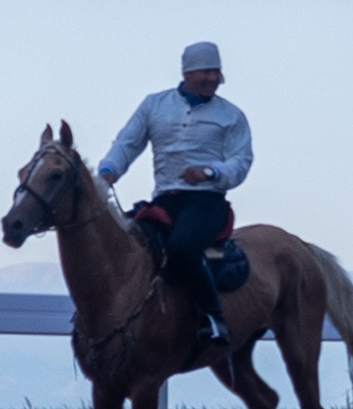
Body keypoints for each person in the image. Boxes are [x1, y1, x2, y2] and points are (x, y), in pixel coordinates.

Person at [96, 42, 253, 346]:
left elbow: (241, 161)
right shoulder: (154, 105)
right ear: (188, 72)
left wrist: (210, 172)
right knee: (126, 245)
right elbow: (127, 143)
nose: (213, 78)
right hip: (165, 199)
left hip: (206, 200)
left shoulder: (231, 115)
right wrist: (107, 172)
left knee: (181, 248)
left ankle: (213, 317)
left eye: (216, 72)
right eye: (206, 71)